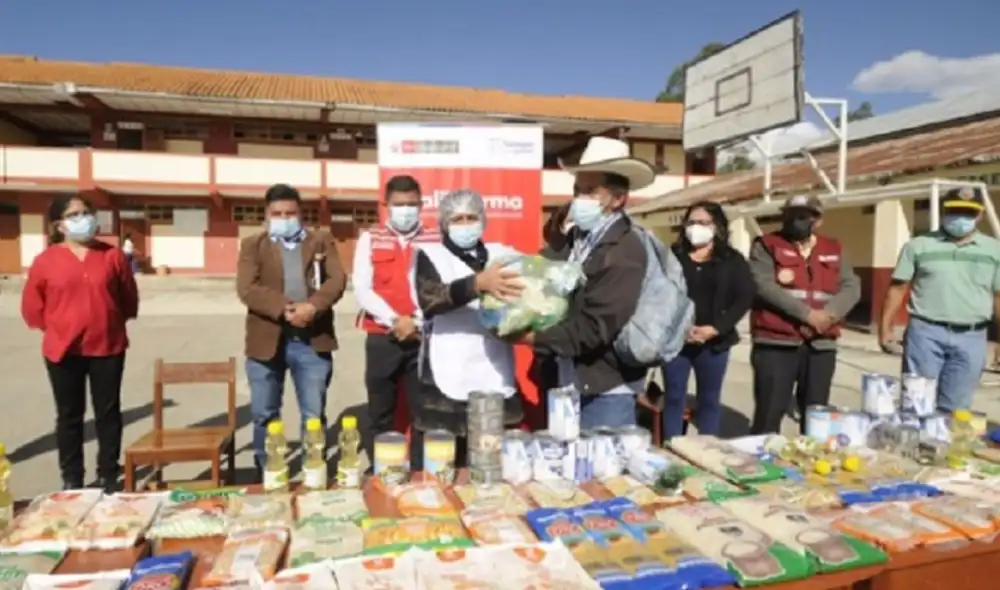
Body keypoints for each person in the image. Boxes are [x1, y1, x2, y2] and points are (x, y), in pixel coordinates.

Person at [528, 137, 653, 430]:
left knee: (600, 473)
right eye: (577, 190)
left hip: (606, 389)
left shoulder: (625, 250)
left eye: (590, 191)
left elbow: (595, 328)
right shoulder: (580, 239)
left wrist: (530, 339)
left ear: (618, 198)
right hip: (570, 377)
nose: (579, 200)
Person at [21, 195, 139, 492]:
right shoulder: (45, 262)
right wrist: (64, 326)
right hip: (64, 350)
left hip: (107, 347)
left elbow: (127, 299)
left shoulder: (111, 256)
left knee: (108, 413)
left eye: (87, 212)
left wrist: (105, 320)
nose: (83, 218)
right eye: (75, 214)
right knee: (70, 416)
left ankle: (108, 474)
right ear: (59, 225)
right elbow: (33, 308)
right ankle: (72, 477)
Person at [236, 183, 347, 478]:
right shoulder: (253, 245)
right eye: (278, 213)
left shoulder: (321, 241)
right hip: (266, 340)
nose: (284, 218)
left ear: (301, 213)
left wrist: (313, 306)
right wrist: (286, 309)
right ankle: (268, 472)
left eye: (290, 213)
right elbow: (246, 288)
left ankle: (314, 470)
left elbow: (336, 280)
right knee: (264, 413)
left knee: (313, 412)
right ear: (267, 214)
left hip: (312, 340)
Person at [410, 189, 525, 470]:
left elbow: (528, 289)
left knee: (490, 457)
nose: (465, 224)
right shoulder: (430, 255)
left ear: (483, 220)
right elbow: (431, 299)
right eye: (457, 219)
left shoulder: (503, 254)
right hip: (448, 363)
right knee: (443, 458)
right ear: (444, 224)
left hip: (493, 362)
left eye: (471, 217)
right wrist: (477, 285)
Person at [879, 187, 1000, 412]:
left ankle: (944, 446)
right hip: (925, 333)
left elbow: (999, 296)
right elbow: (898, 288)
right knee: (916, 402)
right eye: (955, 211)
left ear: (980, 214)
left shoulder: (995, 251)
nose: (960, 218)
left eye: (968, 213)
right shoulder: (918, 246)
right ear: (944, 212)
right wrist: (885, 328)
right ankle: (914, 444)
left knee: (956, 406)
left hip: (972, 338)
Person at [748, 194, 861, 434]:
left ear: (817, 220)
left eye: (803, 216)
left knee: (816, 416)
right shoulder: (766, 245)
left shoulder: (834, 248)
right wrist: (807, 315)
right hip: (776, 342)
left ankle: (807, 462)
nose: (796, 221)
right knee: (769, 412)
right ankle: (762, 462)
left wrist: (828, 316)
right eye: (791, 216)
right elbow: (763, 285)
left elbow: (851, 287)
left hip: (821, 344)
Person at [353, 175, 438, 458]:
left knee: (424, 411)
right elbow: (363, 289)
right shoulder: (370, 238)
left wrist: (415, 321)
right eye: (399, 204)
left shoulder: (436, 239)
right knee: (380, 411)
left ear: (422, 205)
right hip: (382, 337)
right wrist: (395, 320)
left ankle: (417, 472)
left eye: (412, 204)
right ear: (386, 205)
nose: (406, 210)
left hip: (423, 337)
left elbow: (442, 287)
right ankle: (382, 471)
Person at [661, 201, 755, 438]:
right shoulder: (672, 257)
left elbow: (744, 297)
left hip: (714, 344)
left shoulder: (732, 260)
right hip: (676, 342)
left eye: (703, 223)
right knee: (673, 397)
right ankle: (672, 446)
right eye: (691, 222)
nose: (696, 227)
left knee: (709, 400)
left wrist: (716, 328)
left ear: (718, 227)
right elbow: (657, 294)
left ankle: (706, 449)